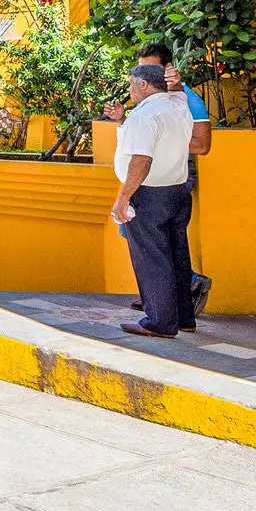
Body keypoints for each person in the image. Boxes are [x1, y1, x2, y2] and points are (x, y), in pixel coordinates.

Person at [113, 43, 215, 317]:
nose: (144, 75)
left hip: (164, 182)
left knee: (157, 248)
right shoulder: (158, 103)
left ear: (168, 70)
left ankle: (170, 303)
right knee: (149, 244)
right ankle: (165, 303)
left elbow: (202, 145)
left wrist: (161, 144)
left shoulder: (185, 99)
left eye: (152, 68)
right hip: (150, 182)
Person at [109, 64, 198, 338]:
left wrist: (123, 197)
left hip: (149, 194)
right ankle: (184, 318)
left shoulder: (145, 115)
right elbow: (178, 93)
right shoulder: (178, 105)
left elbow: (141, 160)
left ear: (144, 85)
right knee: (178, 257)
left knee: (152, 259)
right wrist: (175, 82)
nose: (130, 89)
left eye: (132, 83)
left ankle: (160, 321)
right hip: (177, 191)